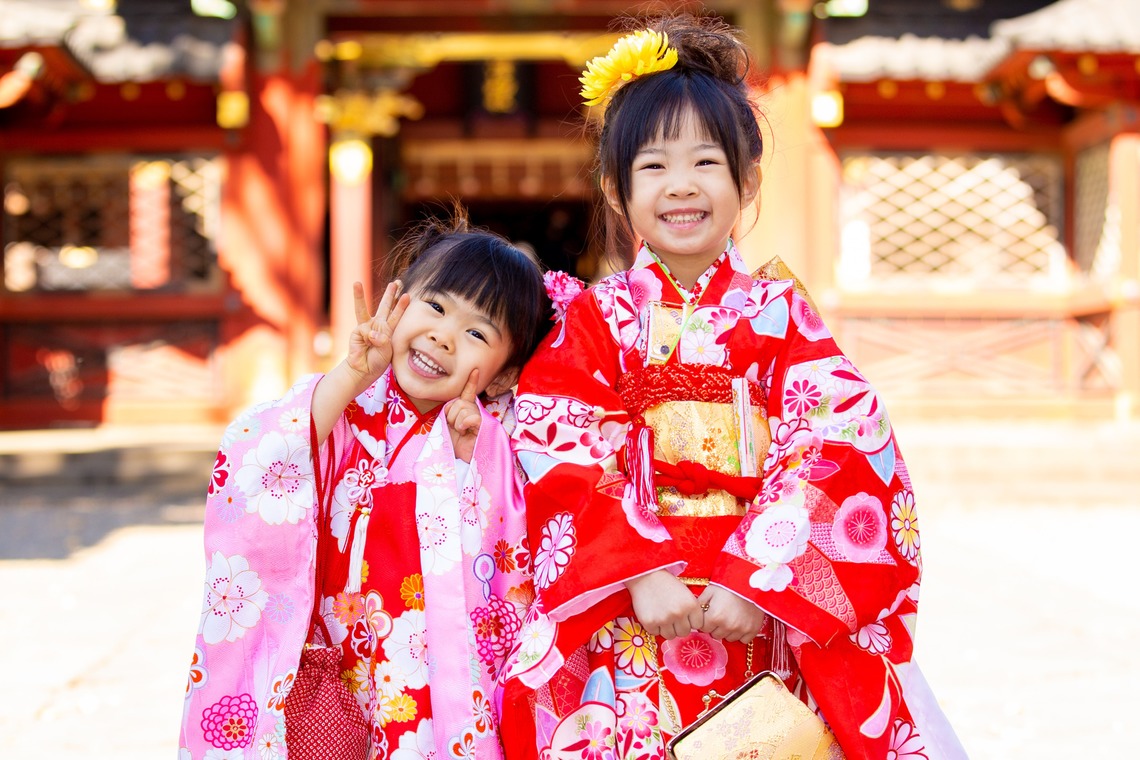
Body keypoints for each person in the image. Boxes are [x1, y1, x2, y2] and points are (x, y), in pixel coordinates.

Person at [496, 14, 966, 760]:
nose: (680, 187)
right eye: (652, 167)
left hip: (757, 613)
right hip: (638, 620)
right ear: (616, 193)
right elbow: (556, 438)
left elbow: (840, 439)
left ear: (746, 179)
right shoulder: (596, 318)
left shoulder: (781, 314)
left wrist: (759, 579)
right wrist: (640, 572)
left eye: (704, 163)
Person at [179, 212, 551, 759]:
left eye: (477, 333)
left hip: (432, 681)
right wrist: (353, 374)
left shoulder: (496, 439)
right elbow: (260, 457)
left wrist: (474, 458)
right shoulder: (345, 405)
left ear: (502, 375)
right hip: (332, 665)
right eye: (434, 306)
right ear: (398, 301)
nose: (443, 337)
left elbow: (519, 554)